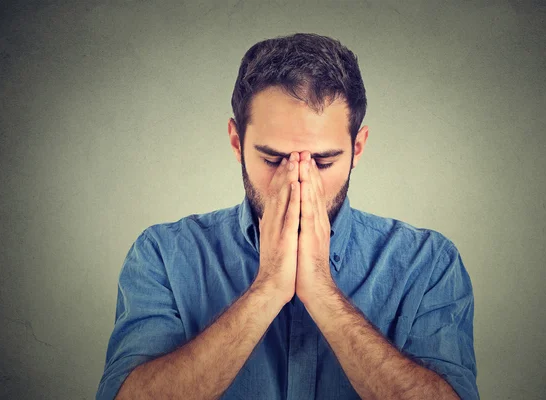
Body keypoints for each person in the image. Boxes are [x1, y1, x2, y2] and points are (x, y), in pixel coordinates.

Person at [96, 33, 479, 400]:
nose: (297, 181)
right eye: (273, 159)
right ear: (236, 142)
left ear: (357, 148)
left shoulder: (429, 263)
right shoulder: (162, 254)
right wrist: (267, 290)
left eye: (324, 161)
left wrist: (322, 293)